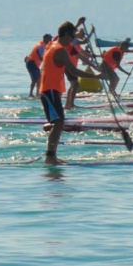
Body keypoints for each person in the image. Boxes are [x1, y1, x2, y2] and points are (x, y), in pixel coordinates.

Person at [39, 21, 101, 165]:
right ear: (66, 35)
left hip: (52, 90)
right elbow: (73, 70)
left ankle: (52, 155)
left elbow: (77, 55)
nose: (73, 39)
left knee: (59, 122)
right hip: (50, 91)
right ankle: (50, 157)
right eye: (72, 36)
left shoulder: (52, 44)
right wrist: (97, 76)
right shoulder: (60, 50)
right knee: (59, 122)